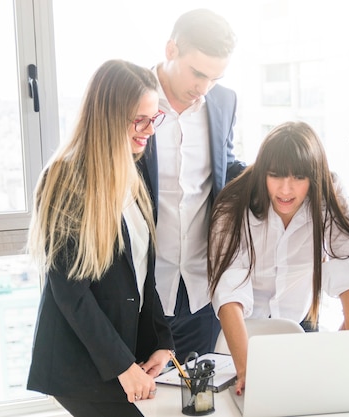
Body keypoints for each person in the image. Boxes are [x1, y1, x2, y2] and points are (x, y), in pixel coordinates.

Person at [26, 59, 175, 417]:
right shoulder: (65, 178)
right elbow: (71, 292)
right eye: (140, 120)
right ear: (108, 115)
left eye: (153, 118)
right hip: (80, 365)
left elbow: (142, 275)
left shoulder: (132, 171)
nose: (149, 130)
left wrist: (162, 343)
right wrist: (122, 366)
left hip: (119, 352)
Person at [208, 121, 349, 395]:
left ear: (314, 177)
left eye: (298, 178)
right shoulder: (233, 203)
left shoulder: (328, 193)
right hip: (239, 325)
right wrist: (247, 370)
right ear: (262, 173)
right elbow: (228, 286)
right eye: (275, 176)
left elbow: (346, 262)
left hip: (300, 318)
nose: (285, 189)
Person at [137, 8, 245, 364]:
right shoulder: (132, 98)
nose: (204, 88)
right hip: (144, 287)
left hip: (202, 288)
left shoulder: (223, 101)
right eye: (197, 73)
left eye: (215, 77)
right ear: (171, 50)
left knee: (200, 397)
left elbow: (224, 170)